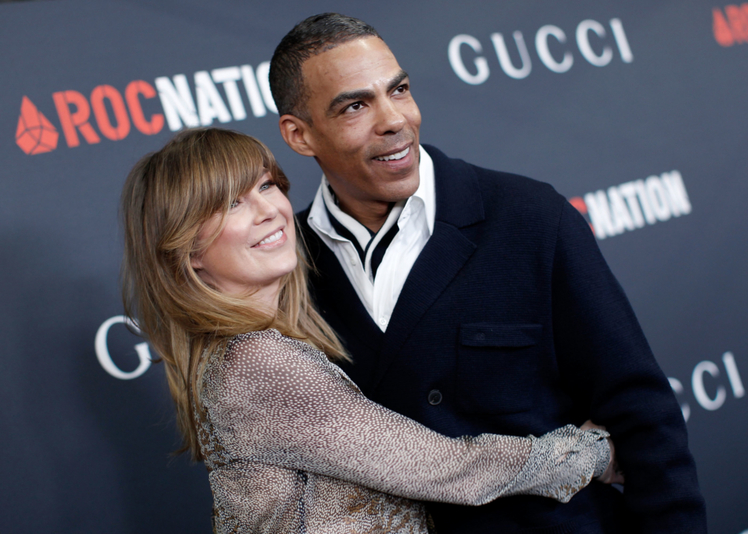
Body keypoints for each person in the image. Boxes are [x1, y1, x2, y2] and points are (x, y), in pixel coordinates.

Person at [271, 13, 707, 534]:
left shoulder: (530, 216)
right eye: (356, 106)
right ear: (299, 135)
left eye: (400, 90)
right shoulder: (280, 269)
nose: (395, 120)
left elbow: (642, 413)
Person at [120, 128, 617, 534]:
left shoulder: (247, 353)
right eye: (230, 203)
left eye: (266, 185)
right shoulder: (256, 363)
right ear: (189, 253)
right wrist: (588, 454)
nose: (268, 209)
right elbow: (441, 467)